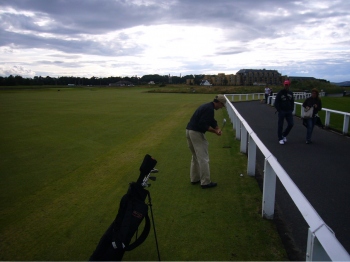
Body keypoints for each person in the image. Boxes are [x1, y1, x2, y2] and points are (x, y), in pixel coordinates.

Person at [186, 95, 226, 189]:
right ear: (219, 102)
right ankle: (205, 182)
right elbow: (202, 124)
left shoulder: (207, 106)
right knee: (203, 158)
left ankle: (195, 178)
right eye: (222, 105)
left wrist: (217, 127)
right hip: (196, 133)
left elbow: (211, 120)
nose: (221, 107)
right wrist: (215, 131)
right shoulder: (209, 109)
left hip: (189, 131)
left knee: (195, 156)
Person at [274, 79, 294, 145]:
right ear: (284, 85)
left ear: (289, 85)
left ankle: (284, 135)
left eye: (287, 85)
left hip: (288, 111)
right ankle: (280, 138)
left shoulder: (291, 93)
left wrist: (291, 109)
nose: (286, 86)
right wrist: (279, 110)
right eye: (285, 85)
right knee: (280, 125)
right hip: (282, 111)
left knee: (291, 124)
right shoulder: (280, 93)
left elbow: (292, 102)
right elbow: (276, 102)